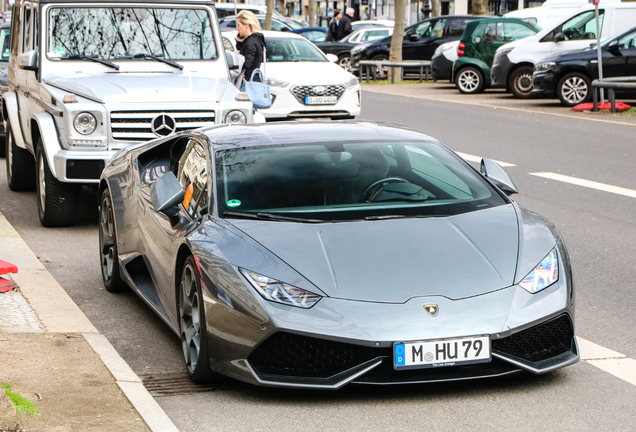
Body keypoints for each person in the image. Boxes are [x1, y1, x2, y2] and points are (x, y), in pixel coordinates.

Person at [235, 10, 266, 86]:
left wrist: (236, 62)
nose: (237, 28)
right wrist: (239, 41)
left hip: (249, 82)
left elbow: (247, 64)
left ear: (247, 25)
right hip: (254, 81)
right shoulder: (254, 40)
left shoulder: (251, 42)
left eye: (239, 25)